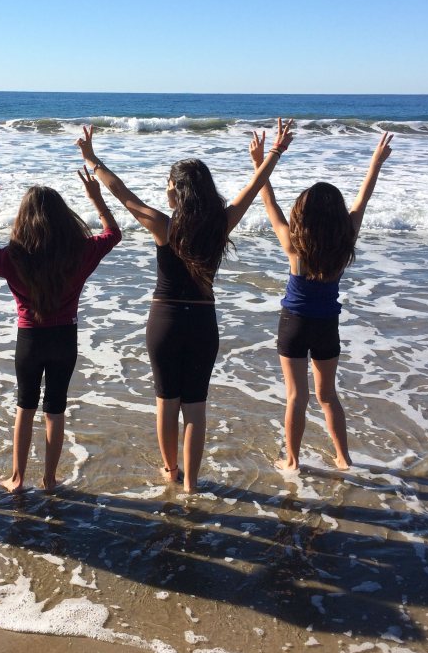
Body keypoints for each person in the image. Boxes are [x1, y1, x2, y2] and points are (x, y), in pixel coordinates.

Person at [76, 120, 293, 493]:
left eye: (169, 183)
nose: (166, 189)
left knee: (166, 400)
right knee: (195, 406)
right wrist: (274, 152)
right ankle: (191, 483)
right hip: (203, 323)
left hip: (166, 321)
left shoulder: (163, 226)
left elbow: (122, 193)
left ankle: (170, 470)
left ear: (178, 190)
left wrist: (92, 159)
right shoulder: (220, 225)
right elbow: (253, 187)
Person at [0, 172, 120, 492]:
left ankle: (17, 478)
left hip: (30, 340)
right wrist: (96, 198)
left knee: (25, 407)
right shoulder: (80, 252)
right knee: (55, 408)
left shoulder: (13, 257)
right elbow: (113, 234)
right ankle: (50, 479)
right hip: (64, 339)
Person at [258, 131, 393, 472]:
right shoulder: (344, 242)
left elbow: (270, 205)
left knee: (296, 397)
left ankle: (292, 460)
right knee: (328, 395)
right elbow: (362, 200)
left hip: (294, 323)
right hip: (326, 326)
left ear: (302, 215)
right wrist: (375, 164)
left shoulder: (294, 246)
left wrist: (261, 162)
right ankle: (343, 458)